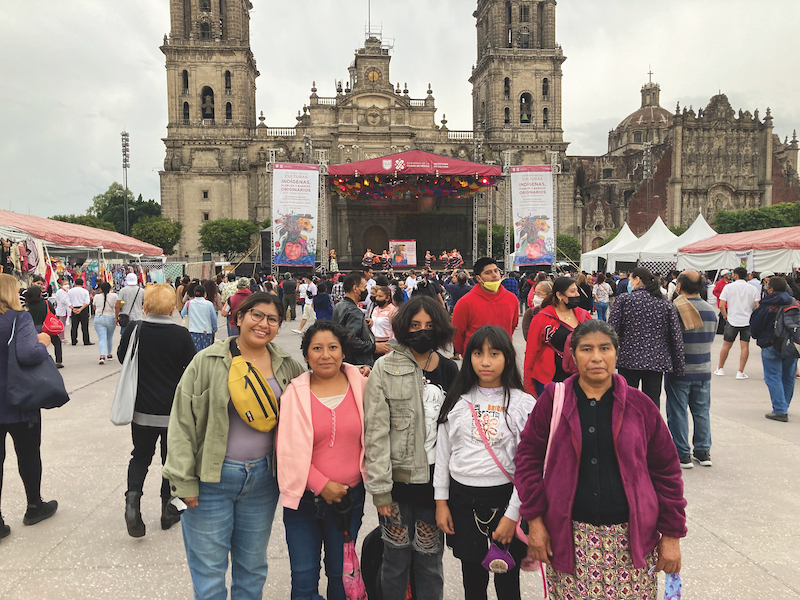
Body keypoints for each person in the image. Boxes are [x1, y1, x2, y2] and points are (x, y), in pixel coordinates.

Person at [515, 320, 687, 600]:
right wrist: (534, 521)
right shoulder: (553, 400)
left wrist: (671, 535)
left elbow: (667, 473)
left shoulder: (640, 405)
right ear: (572, 355)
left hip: (630, 540)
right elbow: (527, 460)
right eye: (586, 349)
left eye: (604, 348)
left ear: (616, 354)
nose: (596, 357)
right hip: (570, 538)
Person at [164, 292, 306, 600]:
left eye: (272, 319)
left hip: (262, 481)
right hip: (210, 480)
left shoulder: (286, 365)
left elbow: (316, 393)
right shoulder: (208, 361)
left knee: (252, 568)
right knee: (210, 574)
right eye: (256, 315)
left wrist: (354, 371)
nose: (263, 324)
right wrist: (182, 480)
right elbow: (181, 422)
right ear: (239, 318)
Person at [364, 296, 459, 600]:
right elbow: (375, 432)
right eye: (415, 325)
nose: (422, 332)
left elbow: (455, 435)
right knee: (394, 560)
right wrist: (380, 490)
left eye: (430, 326)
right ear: (403, 328)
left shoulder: (450, 371)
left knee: (430, 563)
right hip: (397, 487)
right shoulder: (384, 368)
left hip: (436, 488)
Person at [434, 326, 535, 600]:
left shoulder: (522, 404)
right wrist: (441, 502)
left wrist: (512, 515)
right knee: (473, 579)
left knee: (507, 581)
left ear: (508, 357)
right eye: (478, 353)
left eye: (494, 353)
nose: (486, 361)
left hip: (505, 499)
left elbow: (529, 467)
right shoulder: (456, 401)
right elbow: (444, 454)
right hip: (462, 499)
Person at [277, 321, 368, 600]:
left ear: (343, 352)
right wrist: (320, 483)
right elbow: (287, 449)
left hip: (348, 502)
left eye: (332, 348)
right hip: (304, 504)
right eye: (317, 348)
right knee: (303, 580)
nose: (325, 355)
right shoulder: (294, 393)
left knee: (341, 579)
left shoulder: (363, 385)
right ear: (306, 355)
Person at [117, 284, 196, 537]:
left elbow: (122, 357)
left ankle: (132, 504)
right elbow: (191, 367)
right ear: (173, 307)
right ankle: (167, 510)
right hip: (173, 410)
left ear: (145, 305)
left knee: (140, 456)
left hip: (141, 408)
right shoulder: (180, 334)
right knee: (169, 461)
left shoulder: (135, 329)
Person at [0, 273, 58, 541]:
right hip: (17, 399)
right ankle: (34, 505)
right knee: (28, 453)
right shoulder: (17, 319)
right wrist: (43, 341)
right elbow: (27, 354)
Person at [608, 267, 685, 407]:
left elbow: (611, 331)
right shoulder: (666, 304)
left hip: (628, 359)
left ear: (637, 280)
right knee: (652, 401)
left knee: (627, 400)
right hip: (656, 361)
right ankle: (651, 427)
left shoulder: (624, 300)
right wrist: (678, 366)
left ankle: (627, 428)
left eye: (631, 279)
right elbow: (675, 336)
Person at [665, 271, 717, 468]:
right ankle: (703, 452)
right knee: (702, 411)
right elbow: (711, 338)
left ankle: (682, 453)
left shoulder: (675, 309)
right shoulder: (710, 310)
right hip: (703, 368)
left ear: (679, 286)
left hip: (680, 369)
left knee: (678, 411)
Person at [524, 277, 592, 396]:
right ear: (559, 295)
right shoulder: (542, 319)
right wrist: (528, 385)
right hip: (548, 381)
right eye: (572, 291)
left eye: (577, 290)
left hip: (579, 380)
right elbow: (531, 353)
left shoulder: (584, 316)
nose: (577, 294)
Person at [452, 258, 519, 358]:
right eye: (488, 272)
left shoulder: (512, 299)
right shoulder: (465, 303)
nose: (494, 275)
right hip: (476, 360)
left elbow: (512, 327)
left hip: (504, 357)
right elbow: (457, 334)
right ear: (478, 278)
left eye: (496, 271)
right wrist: (468, 354)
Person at [750, 276, 795, 422]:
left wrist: (757, 337)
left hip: (771, 344)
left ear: (771, 289)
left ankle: (780, 409)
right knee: (788, 377)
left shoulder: (767, 305)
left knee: (773, 376)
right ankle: (784, 405)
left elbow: (756, 325)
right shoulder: (794, 303)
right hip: (791, 345)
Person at [715, 267, 760, 379]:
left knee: (726, 345)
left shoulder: (728, 287)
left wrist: (725, 316)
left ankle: (720, 368)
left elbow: (721, 305)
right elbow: (758, 306)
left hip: (732, 319)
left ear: (735, 275)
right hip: (747, 320)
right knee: (745, 346)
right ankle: (740, 372)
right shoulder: (753, 289)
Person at [332, 271, 375, 367]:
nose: (365, 290)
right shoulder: (354, 311)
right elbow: (352, 341)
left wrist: (363, 324)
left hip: (344, 360)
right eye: (364, 287)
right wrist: (374, 347)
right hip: (357, 362)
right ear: (355, 288)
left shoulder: (339, 306)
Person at [25, 284, 63, 369]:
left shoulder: (27, 306)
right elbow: (53, 312)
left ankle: (38, 362)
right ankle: (58, 361)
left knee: (36, 345)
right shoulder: (46, 303)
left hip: (33, 328)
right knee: (57, 343)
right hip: (47, 327)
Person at [181, 284, 218, 352]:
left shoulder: (189, 303)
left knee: (194, 351)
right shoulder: (209, 304)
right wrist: (214, 328)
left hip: (193, 331)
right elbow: (213, 318)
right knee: (205, 352)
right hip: (206, 331)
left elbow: (183, 314)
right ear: (204, 294)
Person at [92, 281, 119, 365]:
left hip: (99, 318)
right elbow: (118, 305)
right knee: (109, 337)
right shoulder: (114, 296)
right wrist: (116, 316)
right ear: (110, 289)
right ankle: (109, 354)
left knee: (102, 338)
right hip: (110, 317)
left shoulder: (96, 296)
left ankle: (102, 355)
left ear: (100, 289)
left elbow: (94, 307)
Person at [370, 286, 397, 360]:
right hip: (374, 343)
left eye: (380, 296)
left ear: (387, 298)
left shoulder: (393, 311)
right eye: (377, 296)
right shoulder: (375, 309)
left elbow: (395, 331)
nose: (377, 298)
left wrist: (389, 348)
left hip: (386, 344)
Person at [67, 278, 92, 346]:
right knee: (84, 326)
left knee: (74, 326)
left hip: (74, 308)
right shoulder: (85, 291)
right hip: (83, 308)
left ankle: (73, 340)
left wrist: (73, 308)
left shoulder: (70, 291)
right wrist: (80, 309)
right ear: (83, 284)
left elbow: (67, 301)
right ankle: (86, 341)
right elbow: (87, 302)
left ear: (74, 283)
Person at [712, 269, 732, 334]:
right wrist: (722, 296)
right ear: (724, 275)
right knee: (723, 314)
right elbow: (714, 291)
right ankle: (720, 330)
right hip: (723, 302)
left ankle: (723, 329)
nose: (729, 275)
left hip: (728, 301)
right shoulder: (720, 283)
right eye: (728, 274)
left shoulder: (729, 282)